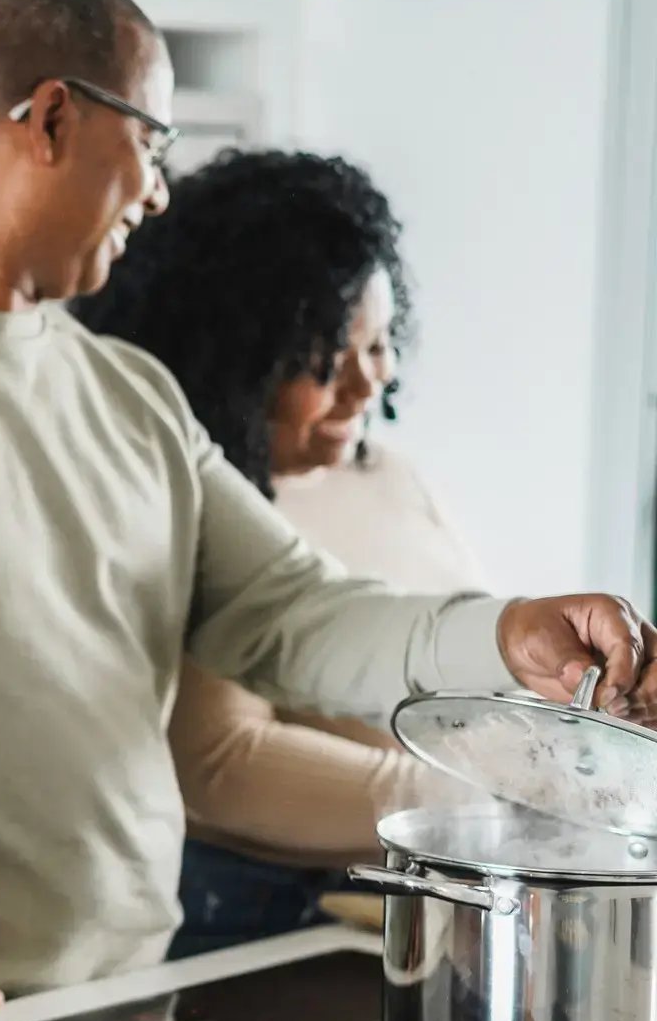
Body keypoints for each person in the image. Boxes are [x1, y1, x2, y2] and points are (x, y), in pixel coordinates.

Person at [0, 0, 657, 998]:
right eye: (149, 139)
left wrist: (511, 630)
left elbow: (291, 613)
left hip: (129, 991)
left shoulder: (127, 392)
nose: (157, 191)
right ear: (52, 118)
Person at [72, 149, 488, 957]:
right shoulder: (199, 509)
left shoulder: (391, 477)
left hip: (419, 889)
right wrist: (470, 806)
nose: (368, 386)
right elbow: (223, 759)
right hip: (270, 915)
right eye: (329, 359)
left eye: (379, 345)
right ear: (242, 356)